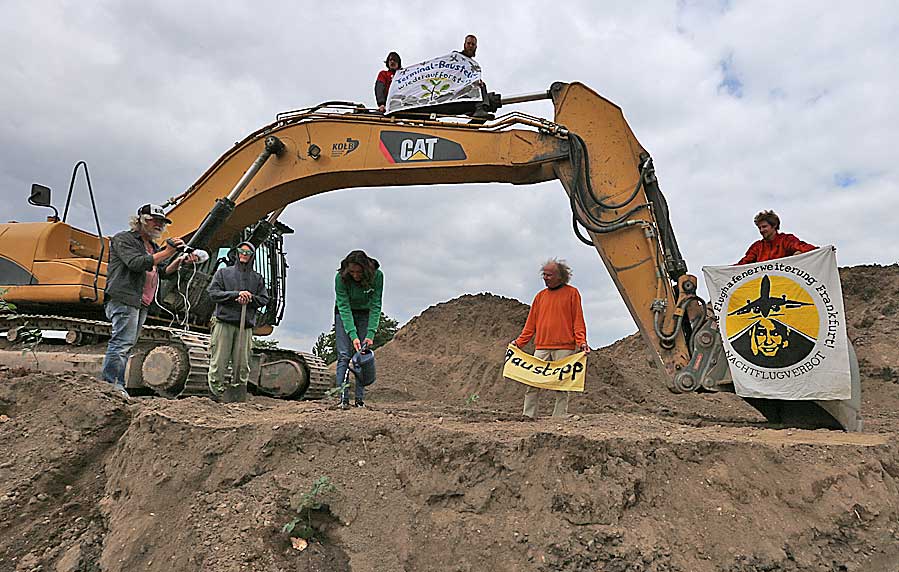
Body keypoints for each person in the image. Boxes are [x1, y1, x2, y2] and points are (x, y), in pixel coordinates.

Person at [101, 204, 194, 396]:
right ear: (141, 220)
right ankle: (112, 386)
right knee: (121, 343)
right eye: (155, 221)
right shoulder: (123, 239)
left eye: (162, 222)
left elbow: (162, 272)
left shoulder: (152, 247)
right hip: (125, 298)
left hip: (142, 302)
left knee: (127, 344)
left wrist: (177, 261)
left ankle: (116, 385)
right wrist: (168, 252)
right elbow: (136, 264)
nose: (159, 225)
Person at [512, 258, 589, 419]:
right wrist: (518, 343)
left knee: (561, 384)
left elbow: (578, 320)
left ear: (560, 277)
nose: (545, 278)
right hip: (542, 347)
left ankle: (559, 416)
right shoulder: (540, 297)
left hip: (564, 347)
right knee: (533, 381)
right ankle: (528, 415)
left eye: (549, 275)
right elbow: (530, 325)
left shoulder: (572, 293)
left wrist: (581, 342)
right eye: (544, 274)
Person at [206, 241, 270, 401]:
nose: (244, 254)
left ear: (252, 256)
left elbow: (264, 299)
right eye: (242, 251)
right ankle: (216, 393)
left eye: (248, 253)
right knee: (219, 361)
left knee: (242, 364)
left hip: (245, 326)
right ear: (236, 252)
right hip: (224, 322)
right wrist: (235, 295)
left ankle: (238, 392)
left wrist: (250, 298)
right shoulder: (223, 273)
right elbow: (213, 293)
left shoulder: (257, 278)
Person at [334, 250, 383, 409]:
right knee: (344, 355)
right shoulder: (340, 278)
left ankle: (359, 400)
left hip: (365, 313)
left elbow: (376, 305)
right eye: (352, 272)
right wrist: (352, 334)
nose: (355, 275)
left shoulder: (377, 276)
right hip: (344, 313)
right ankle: (343, 398)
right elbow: (344, 306)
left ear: (366, 269)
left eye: (359, 272)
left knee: (361, 355)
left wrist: (370, 333)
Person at [738, 210, 816, 264]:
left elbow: (809, 249)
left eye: (764, 226)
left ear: (774, 225)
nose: (761, 230)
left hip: (785, 283)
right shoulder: (757, 247)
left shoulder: (786, 240)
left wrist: (799, 254)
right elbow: (743, 264)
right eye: (759, 228)